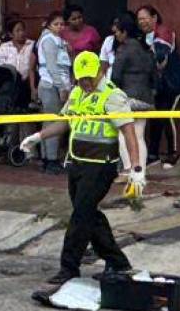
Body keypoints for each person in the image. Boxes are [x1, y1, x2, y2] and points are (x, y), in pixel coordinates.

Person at [21, 51, 145, 285]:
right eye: (81, 80)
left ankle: (69, 267)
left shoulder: (113, 96)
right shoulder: (77, 93)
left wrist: (136, 169)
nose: (86, 83)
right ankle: (117, 262)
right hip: (77, 162)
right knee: (89, 214)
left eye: (89, 78)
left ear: (99, 72)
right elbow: (65, 122)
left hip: (101, 166)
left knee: (80, 215)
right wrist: (38, 136)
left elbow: (129, 133)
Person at [137, 4, 180, 169]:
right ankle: (153, 154)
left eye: (144, 18)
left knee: (167, 115)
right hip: (158, 86)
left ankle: (173, 153)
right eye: (139, 19)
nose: (141, 22)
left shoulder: (164, 32)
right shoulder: (143, 38)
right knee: (155, 117)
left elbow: (160, 57)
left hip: (172, 83)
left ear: (154, 18)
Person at [109, 12, 154, 175]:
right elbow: (154, 75)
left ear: (124, 31)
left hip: (128, 98)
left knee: (124, 134)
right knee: (140, 136)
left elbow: (115, 76)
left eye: (117, 32)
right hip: (146, 98)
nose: (116, 35)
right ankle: (140, 172)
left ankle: (128, 169)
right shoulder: (146, 48)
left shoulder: (124, 49)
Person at [35, 11, 71, 175]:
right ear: (49, 25)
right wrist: (61, 87)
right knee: (54, 123)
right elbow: (52, 67)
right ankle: (51, 160)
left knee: (48, 122)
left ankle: (46, 157)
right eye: (56, 24)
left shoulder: (60, 41)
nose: (60, 27)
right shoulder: (48, 40)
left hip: (57, 84)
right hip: (51, 86)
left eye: (62, 24)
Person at [0, 17, 37, 104]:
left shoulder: (32, 45)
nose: (21, 33)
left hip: (27, 83)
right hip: (9, 85)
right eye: (17, 31)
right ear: (10, 34)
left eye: (23, 30)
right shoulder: (5, 47)